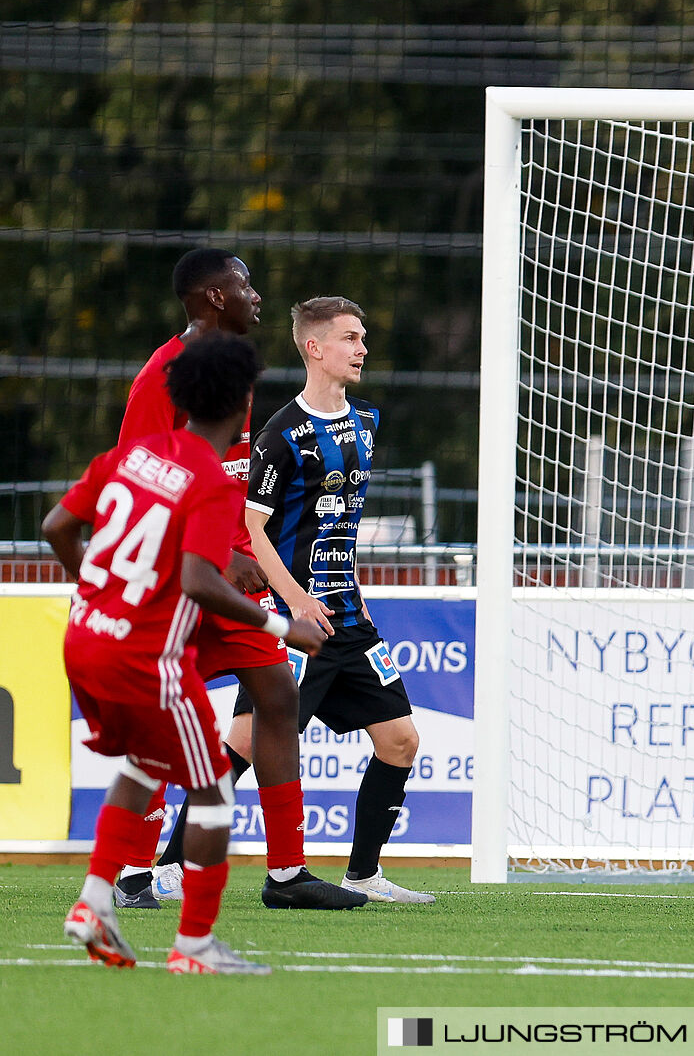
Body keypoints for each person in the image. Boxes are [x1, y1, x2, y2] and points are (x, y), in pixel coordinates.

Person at [46, 334, 327, 973]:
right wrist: (283, 627)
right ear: (240, 403)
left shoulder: (133, 456)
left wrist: (99, 587)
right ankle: (195, 946)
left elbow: (56, 527)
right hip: (146, 659)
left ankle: (95, 902)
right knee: (212, 796)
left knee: (144, 763)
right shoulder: (207, 479)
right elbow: (202, 579)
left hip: (85, 638)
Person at [113, 249, 364, 912]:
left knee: (277, 697)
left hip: (229, 573)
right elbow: (143, 482)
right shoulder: (161, 376)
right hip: (177, 578)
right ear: (212, 297)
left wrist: (241, 548)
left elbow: (221, 478)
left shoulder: (236, 373)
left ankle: (287, 874)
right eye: (244, 284)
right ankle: (132, 871)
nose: (256, 294)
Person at [242, 296, 434, 903]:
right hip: (294, 622)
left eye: (363, 336)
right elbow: (251, 529)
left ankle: (364, 874)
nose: (362, 348)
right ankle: (165, 867)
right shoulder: (280, 435)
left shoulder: (366, 424)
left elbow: (339, 527)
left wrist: (358, 597)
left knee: (400, 739)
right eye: (351, 338)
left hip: (348, 619)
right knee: (247, 748)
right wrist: (296, 600)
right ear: (314, 348)